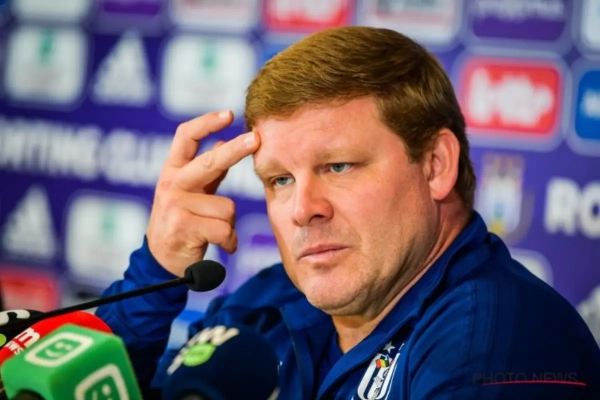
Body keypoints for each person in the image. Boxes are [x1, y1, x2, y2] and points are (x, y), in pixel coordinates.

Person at [96, 26, 600, 399]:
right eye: (280, 180)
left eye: (338, 166)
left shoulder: (498, 342)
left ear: (435, 166)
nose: (302, 210)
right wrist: (157, 272)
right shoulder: (262, 306)